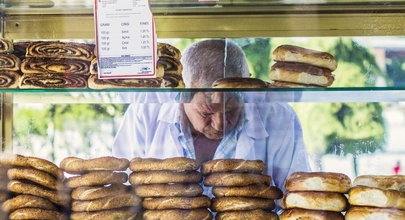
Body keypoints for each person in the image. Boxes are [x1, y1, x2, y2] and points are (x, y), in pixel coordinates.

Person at [112, 38, 309, 191]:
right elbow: (120, 189)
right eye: (206, 112)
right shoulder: (145, 112)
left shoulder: (279, 117)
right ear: (182, 92)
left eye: (231, 109)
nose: (220, 124)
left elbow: (298, 196)